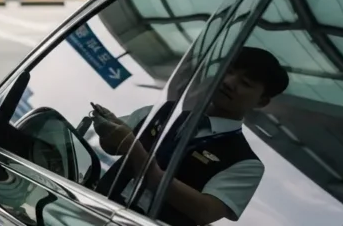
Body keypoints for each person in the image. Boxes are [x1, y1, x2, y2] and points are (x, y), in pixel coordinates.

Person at [90, 46, 289, 226]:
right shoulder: (164, 111)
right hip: (92, 212)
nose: (228, 82)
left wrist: (136, 152)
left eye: (245, 83)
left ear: (262, 102)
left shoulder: (245, 163)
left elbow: (205, 212)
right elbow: (111, 147)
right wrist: (106, 128)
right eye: (227, 71)